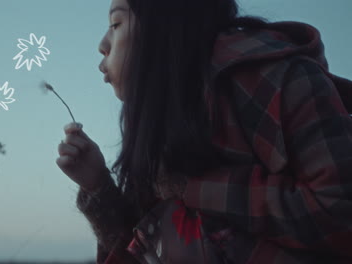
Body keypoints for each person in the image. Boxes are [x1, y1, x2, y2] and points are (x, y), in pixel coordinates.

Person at [56, 0, 352, 263]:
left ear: (167, 24)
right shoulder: (161, 121)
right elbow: (147, 251)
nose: (102, 44)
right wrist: (97, 186)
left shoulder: (281, 79)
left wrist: (193, 189)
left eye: (116, 23)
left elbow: (340, 212)